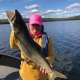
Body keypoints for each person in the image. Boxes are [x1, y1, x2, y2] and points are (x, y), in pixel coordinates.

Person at [9, 13, 55, 80]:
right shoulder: (23, 36)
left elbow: (52, 55)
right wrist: (14, 29)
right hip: (25, 75)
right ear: (28, 25)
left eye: (37, 25)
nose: (35, 28)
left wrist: (47, 62)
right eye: (33, 25)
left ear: (41, 26)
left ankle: (53, 75)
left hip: (41, 77)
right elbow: (12, 45)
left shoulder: (47, 39)